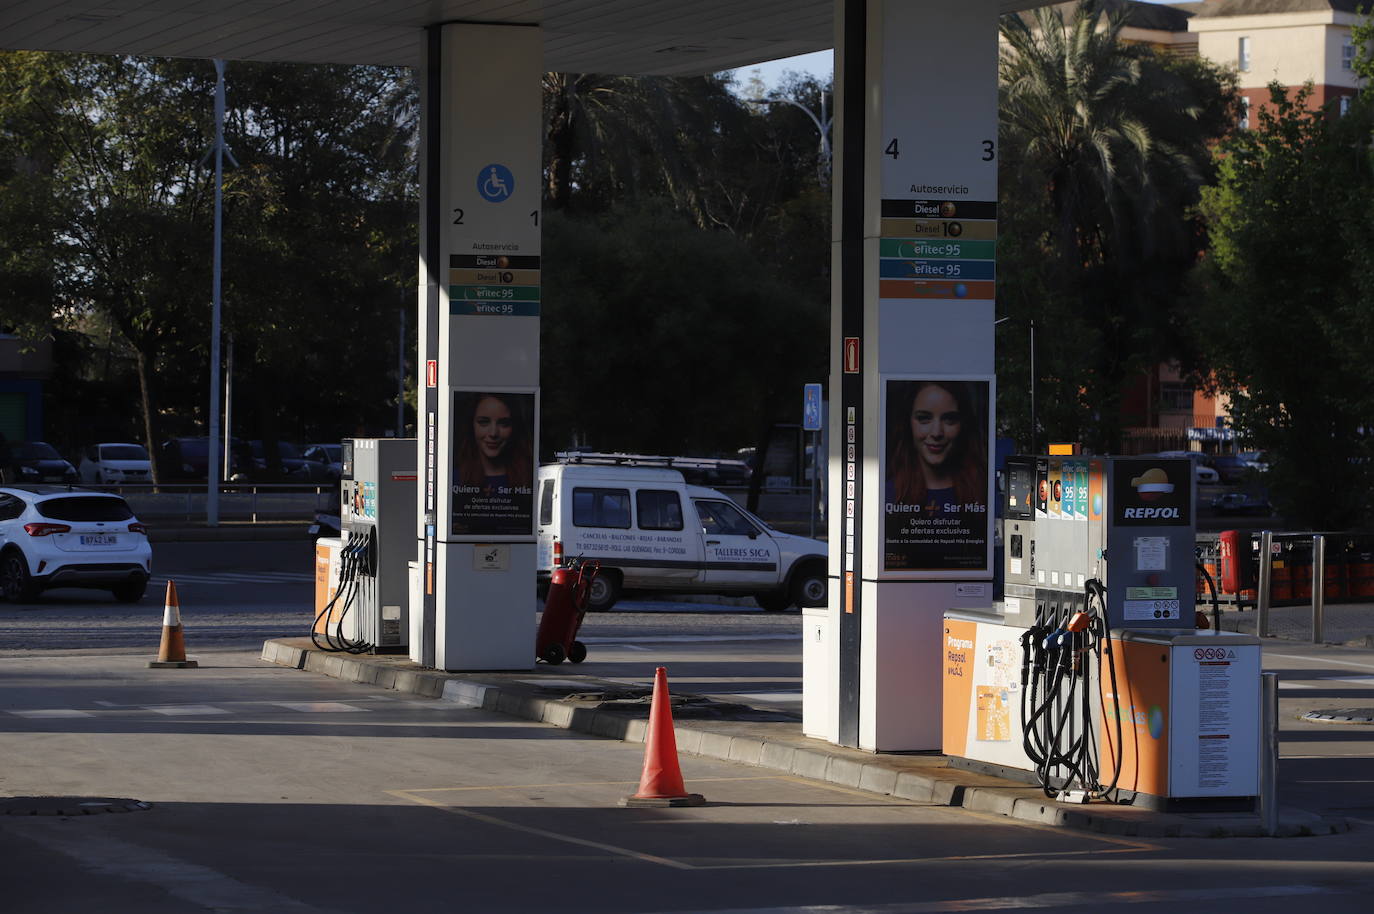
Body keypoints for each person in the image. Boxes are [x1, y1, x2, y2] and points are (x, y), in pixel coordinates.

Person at [887, 380, 987, 515]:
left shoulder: (983, 492)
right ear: (908, 424)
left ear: (963, 425)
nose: (936, 433)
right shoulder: (886, 494)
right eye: (924, 418)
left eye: (949, 419)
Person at [455, 392, 532, 493]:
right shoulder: (454, 479)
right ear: (471, 426)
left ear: (515, 428)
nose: (493, 433)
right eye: (483, 422)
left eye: (504, 423)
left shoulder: (529, 479)